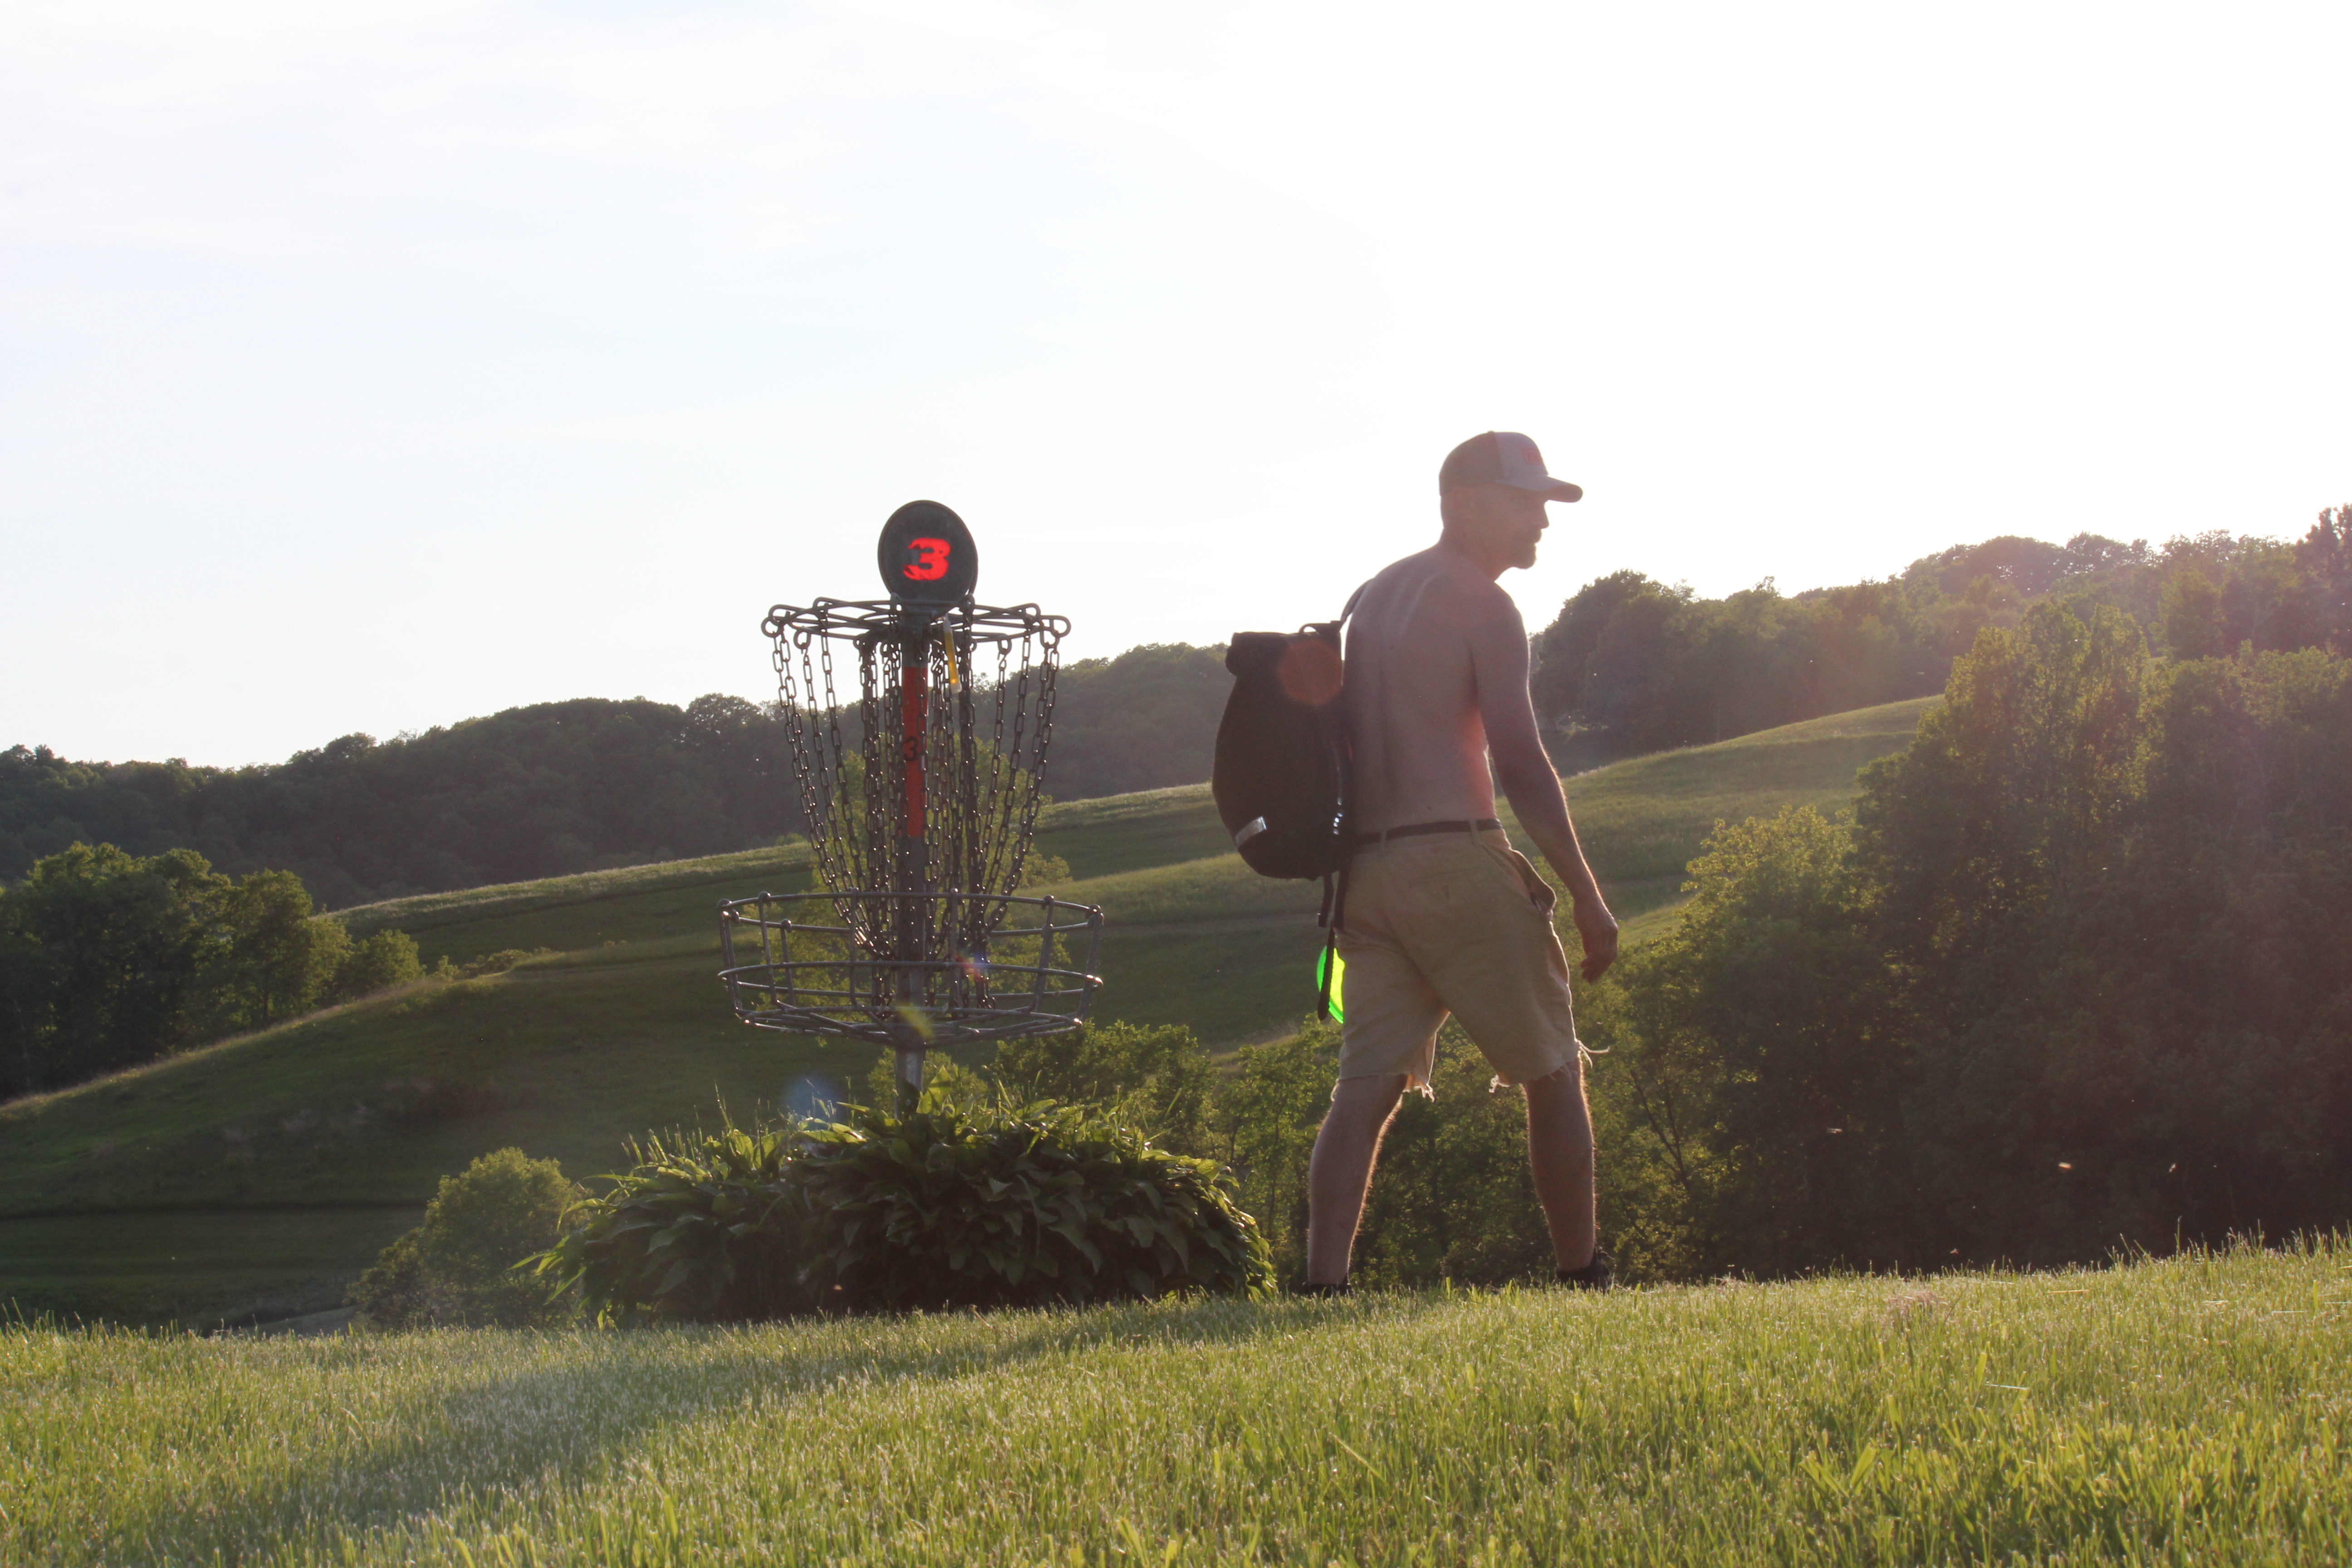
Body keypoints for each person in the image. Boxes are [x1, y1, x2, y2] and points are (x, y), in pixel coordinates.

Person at [1304, 430, 1620, 1293]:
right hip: (1454, 857)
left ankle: (1321, 1286)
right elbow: (1518, 762)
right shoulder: (1482, 604)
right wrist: (1588, 895)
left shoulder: (1373, 597)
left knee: (1364, 1088)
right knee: (1553, 1071)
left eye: (1544, 504)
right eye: (1523, 502)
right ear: (1464, 504)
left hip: (1366, 879)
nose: (1540, 522)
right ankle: (1582, 1276)